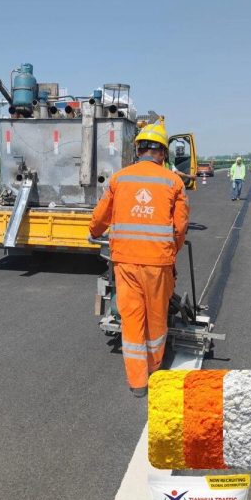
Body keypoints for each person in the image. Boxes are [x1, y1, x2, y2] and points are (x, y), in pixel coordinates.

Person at [89, 119, 189, 397]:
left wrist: (93, 231)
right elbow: (180, 227)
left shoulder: (120, 178)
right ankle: (155, 368)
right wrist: (170, 251)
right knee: (157, 320)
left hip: (125, 263)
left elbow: (99, 218)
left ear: (138, 150)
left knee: (132, 318)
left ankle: (137, 382)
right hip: (158, 264)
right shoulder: (174, 181)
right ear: (163, 153)